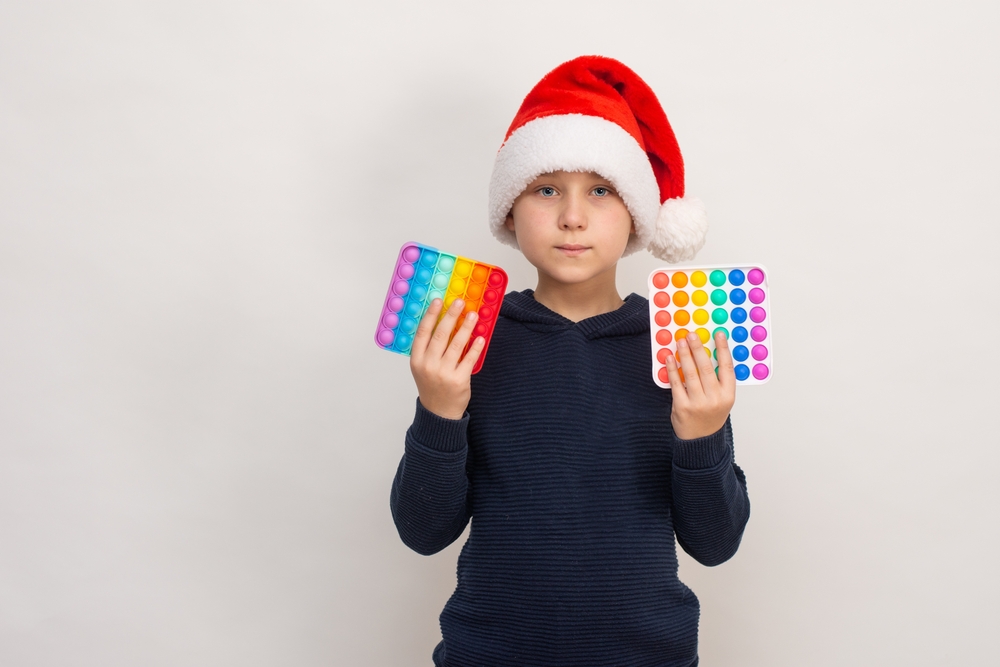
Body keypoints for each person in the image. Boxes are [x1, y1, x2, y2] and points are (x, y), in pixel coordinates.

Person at [390, 55, 750, 667]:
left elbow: (714, 543)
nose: (572, 216)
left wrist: (704, 435)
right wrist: (439, 411)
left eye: (601, 191)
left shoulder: (678, 343)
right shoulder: (468, 338)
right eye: (546, 188)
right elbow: (424, 532)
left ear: (637, 212)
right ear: (509, 209)